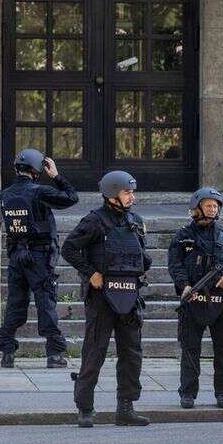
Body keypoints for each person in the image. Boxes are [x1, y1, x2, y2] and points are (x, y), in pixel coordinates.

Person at [61, 171, 152, 428]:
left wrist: (142, 267)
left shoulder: (135, 221)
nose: (131, 197)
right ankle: (85, 408)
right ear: (112, 194)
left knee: (132, 354)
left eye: (132, 192)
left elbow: (141, 254)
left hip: (129, 295)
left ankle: (126, 408)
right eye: (127, 192)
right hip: (102, 297)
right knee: (94, 352)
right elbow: (68, 248)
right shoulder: (94, 221)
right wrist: (91, 273)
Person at [0, 149, 78, 368]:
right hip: (40, 258)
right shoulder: (40, 191)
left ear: (17, 168)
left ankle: (7, 353)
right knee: (46, 303)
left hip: (16, 257)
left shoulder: (5, 195)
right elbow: (72, 198)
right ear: (37, 170)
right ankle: (54, 355)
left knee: (15, 303)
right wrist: (56, 176)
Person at [168, 188, 223, 409]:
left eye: (216, 205)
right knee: (190, 350)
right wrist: (184, 285)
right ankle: (188, 393)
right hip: (193, 301)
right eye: (208, 205)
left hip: (222, 303)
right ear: (196, 208)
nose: (213, 209)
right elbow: (175, 264)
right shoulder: (183, 236)